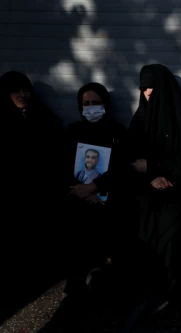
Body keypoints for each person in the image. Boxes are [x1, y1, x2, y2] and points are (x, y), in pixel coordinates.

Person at [123, 64, 181, 314]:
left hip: (178, 186)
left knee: (171, 224)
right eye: (143, 88)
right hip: (147, 185)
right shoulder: (141, 117)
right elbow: (131, 159)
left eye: (151, 87)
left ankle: (174, 289)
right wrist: (150, 175)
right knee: (138, 218)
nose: (147, 93)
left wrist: (155, 167)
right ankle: (144, 285)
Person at [0, 71, 65, 311]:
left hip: (41, 190)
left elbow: (56, 148)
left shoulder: (42, 115)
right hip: (12, 194)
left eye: (25, 89)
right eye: (16, 90)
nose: (22, 94)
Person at [63, 82, 129, 298]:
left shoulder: (117, 132)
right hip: (78, 195)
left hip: (106, 196)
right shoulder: (73, 132)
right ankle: (76, 283)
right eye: (87, 104)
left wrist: (95, 189)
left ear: (105, 104)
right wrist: (82, 191)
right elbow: (63, 166)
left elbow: (121, 169)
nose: (91, 108)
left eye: (96, 103)